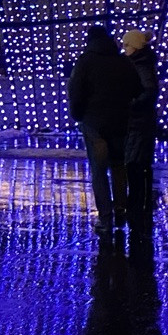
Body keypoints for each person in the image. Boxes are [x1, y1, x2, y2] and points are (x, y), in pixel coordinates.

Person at [67, 26, 137, 235]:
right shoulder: (122, 61)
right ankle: (120, 210)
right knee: (118, 167)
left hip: (94, 122)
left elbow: (75, 90)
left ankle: (105, 218)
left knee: (99, 171)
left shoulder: (85, 61)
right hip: (120, 122)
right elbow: (136, 87)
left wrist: (79, 115)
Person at [121, 30, 159, 226]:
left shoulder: (140, 63)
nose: (124, 49)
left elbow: (150, 89)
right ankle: (141, 203)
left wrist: (133, 104)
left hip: (139, 121)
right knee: (140, 164)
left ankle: (137, 204)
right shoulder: (142, 61)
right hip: (142, 121)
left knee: (135, 164)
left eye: (127, 45)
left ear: (134, 46)